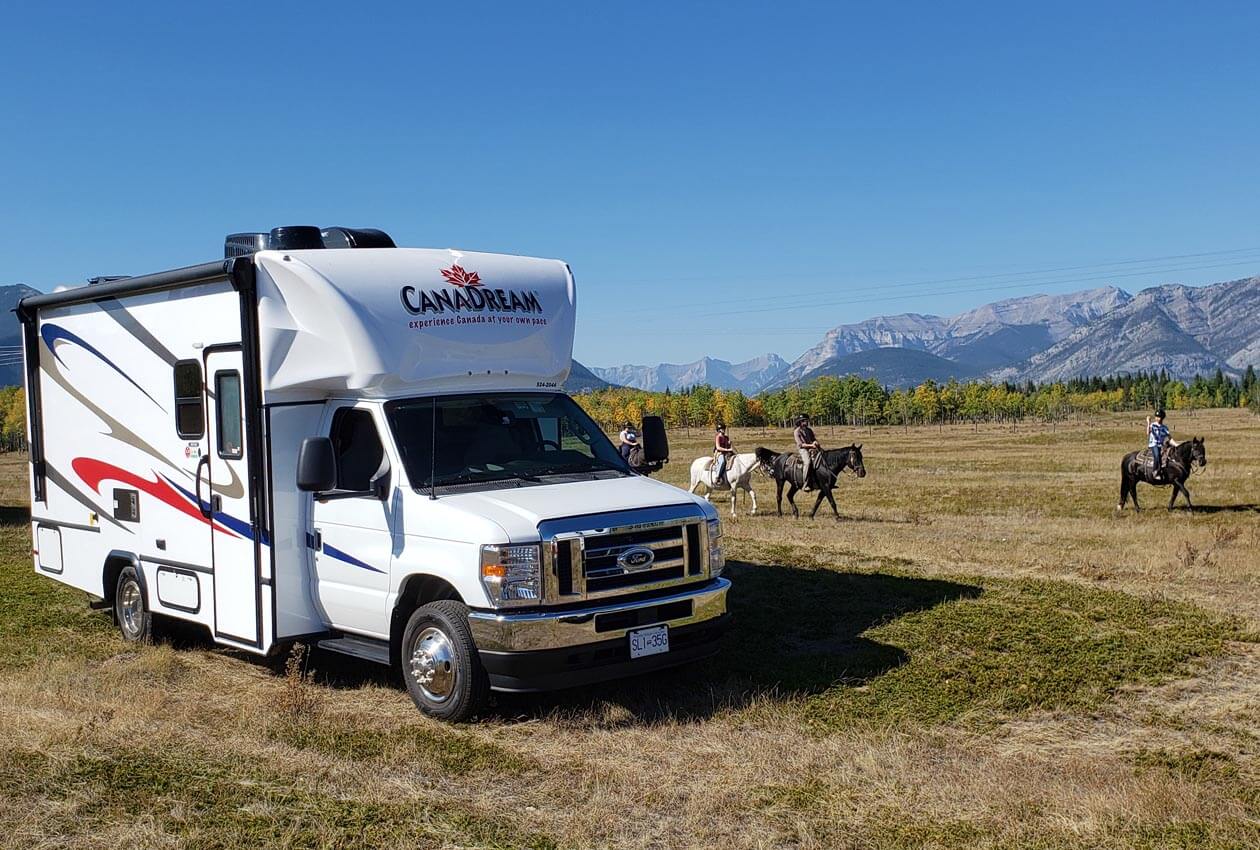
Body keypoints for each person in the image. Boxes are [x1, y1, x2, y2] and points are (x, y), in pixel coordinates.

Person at [793, 413, 821, 491]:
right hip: (803, 449)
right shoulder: (797, 431)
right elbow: (801, 444)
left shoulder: (809, 430)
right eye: (804, 421)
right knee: (808, 462)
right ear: (800, 422)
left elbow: (813, 438)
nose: (806, 422)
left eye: (806, 421)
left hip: (812, 447)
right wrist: (811, 445)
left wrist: (815, 442)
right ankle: (805, 483)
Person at [1146, 409, 1173, 480]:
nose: (1157, 418)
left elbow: (1169, 438)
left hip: (1161, 445)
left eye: (1159, 417)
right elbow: (1148, 432)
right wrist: (1148, 422)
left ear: (1162, 418)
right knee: (1157, 455)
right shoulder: (1153, 425)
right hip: (1153, 444)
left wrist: (1176, 445)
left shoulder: (1164, 428)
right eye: (1156, 417)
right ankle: (1155, 471)